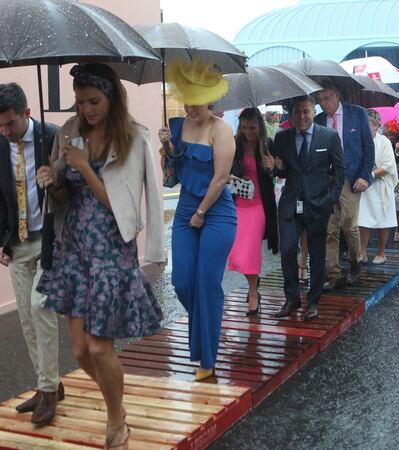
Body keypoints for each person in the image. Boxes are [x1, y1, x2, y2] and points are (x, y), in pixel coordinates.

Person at [35, 63, 165, 449]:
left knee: (98, 346)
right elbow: (65, 192)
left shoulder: (133, 138)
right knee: (78, 350)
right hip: (74, 248)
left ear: (112, 98)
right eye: (79, 102)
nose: (85, 110)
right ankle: (117, 403)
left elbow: (126, 206)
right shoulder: (69, 133)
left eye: (93, 101)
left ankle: (115, 419)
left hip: (111, 251)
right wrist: (53, 179)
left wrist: (82, 168)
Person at [0, 83, 62, 426]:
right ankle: (49, 385)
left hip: (51, 239)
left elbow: (72, 188)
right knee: (26, 318)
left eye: (9, 124)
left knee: (40, 307)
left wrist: (53, 180)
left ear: (27, 113)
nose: (4, 131)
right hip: (17, 240)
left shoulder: (53, 137)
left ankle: (47, 390)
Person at [158, 57, 237, 382]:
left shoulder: (222, 129)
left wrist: (201, 213)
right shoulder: (176, 127)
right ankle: (207, 323)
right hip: (187, 209)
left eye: (197, 100)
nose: (190, 106)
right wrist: (166, 148)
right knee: (182, 282)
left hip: (216, 211)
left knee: (206, 281)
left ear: (211, 97)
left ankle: (207, 358)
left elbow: (221, 178)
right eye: (186, 98)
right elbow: (169, 178)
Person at [272, 95, 344, 321]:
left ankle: (314, 301)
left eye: (306, 112)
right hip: (291, 204)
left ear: (314, 112)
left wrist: (329, 199)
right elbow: (281, 171)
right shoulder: (282, 138)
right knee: (287, 250)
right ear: (292, 114)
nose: (301, 117)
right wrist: (275, 168)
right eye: (297, 112)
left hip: (318, 205)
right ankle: (292, 297)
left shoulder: (329, 137)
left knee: (316, 253)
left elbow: (339, 172)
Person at [314, 80, 375, 291]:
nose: (323, 103)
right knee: (329, 229)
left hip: (351, 178)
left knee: (349, 225)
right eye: (320, 100)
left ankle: (355, 263)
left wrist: (365, 175)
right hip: (327, 181)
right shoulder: (318, 121)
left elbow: (368, 146)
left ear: (337, 95)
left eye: (327, 98)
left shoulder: (357, 114)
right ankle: (334, 273)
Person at [227, 107, 279, 316]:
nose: (249, 131)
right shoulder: (234, 144)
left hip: (259, 205)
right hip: (238, 203)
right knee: (238, 251)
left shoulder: (267, 145)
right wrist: (232, 175)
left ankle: (252, 292)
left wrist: (272, 165)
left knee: (250, 251)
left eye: (253, 127)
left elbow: (279, 169)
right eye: (245, 127)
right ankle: (253, 285)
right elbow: (223, 170)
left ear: (260, 126)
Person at [358, 109, 398, 263]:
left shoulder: (384, 141)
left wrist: (371, 175)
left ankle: (381, 253)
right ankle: (362, 252)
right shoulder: (360, 140)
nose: (366, 127)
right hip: (365, 188)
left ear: (376, 125)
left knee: (383, 220)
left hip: (381, 186)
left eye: (370, 124)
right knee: (363, 220)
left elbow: (388, 165)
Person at [382, 119, 399, 242]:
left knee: (398, 205)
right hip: (386, 178)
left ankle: (398, 230)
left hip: (398, 178)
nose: (390, 137)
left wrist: (397, 151)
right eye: (388, 135)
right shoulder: (383, 144)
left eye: (393, 135)